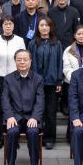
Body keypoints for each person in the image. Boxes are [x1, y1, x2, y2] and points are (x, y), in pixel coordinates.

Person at [1, 48, 45, 165]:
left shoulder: (38, 79)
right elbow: (5, 99)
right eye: (19, 59)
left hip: (31, 116)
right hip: (14, 116)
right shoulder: (8, 79)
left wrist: (35, 117)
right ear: (15, 62)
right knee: (12, 132)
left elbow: (40, 101)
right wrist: (9, 116)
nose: (22, 62)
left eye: (25, 59)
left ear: (30, 61)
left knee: (33, 132)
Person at [0, 17, 26, 150]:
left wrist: (23, 76)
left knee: (16, 107)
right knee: (1, 108)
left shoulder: (20, 40)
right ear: (2, 26)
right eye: (5, 24)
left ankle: (14, 139)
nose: (8, 26)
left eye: (10, 24)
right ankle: (0, 138)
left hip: (16, 77)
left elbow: (24, 59)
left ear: (13, 26)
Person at [29, 17, 64, 149]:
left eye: (46, 25)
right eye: (41, 25)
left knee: (50, 111)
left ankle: (49, 138)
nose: (44, 28)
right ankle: (37, 135)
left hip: (52, 83)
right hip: (36, 82)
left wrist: (59, 80)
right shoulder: (33, 43)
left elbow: (60, 62)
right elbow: (29, 63)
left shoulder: (57, 43)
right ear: (38, 28)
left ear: (50, 27)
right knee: (38, 110)